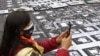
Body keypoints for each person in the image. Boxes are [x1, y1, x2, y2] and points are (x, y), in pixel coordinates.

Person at [0, 10, 72, 56]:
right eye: (28, 25)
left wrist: (56, 40)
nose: (31, 25)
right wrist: (64, 49)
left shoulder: (16, 40)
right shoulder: (26, 53)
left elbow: (39, 46)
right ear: (19, 31)